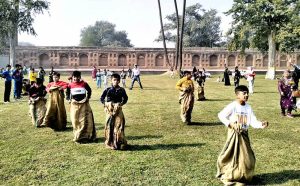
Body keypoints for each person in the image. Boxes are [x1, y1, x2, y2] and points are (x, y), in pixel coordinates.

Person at [217, 85, 268, 185]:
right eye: (244, 93)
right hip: (234, 135)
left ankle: (243, 175)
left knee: (248, 158)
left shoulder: (248, 107)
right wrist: (230, 124)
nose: (246, 95)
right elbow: (221, 115)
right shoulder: (233, 105)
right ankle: (230, 175)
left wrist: (261, 124)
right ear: (237, 95)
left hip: (244, 135)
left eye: (247, 93)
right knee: (233, 156)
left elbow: (253, 121)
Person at [66, 71, 96, 143]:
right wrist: (69, 99)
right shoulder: (70, 85)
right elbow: (67, 93)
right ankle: (77, 135)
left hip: (84, 104)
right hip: (74, 105)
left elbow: (89, 90)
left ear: (80, 77)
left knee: (85, 120)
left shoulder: (84, 84)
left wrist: (87, 97)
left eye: (77, 77)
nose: (76, 78)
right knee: (75, 120)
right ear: (72, 77)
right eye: (74, 77)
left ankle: (85, 136)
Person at [100, 73, 128, 150]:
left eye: (117, 80)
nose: (115, 81)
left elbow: (125, 98)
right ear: (111, 81)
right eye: (114, 80)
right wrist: (105, 104)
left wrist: (121, 104)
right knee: (109, 125)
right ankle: (110, 142)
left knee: (119, 125)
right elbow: (101, 98)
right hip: (109, 110)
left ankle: (119, 142)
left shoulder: (122, 90)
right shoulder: (107, 90)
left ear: (119, 81)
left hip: (118, 110)